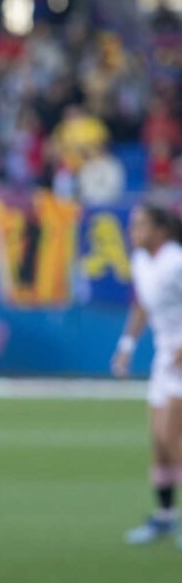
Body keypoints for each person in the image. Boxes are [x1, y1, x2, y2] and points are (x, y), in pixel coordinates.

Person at [111, 203, 182, 545]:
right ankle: (165, 517)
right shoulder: (142, 261)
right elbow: (142, 304)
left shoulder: (176, 261)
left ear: (161, 230)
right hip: (165, 357)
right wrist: (126, 346)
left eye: (141, 224)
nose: (133, 230)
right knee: (158, 441)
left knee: (172, 437)